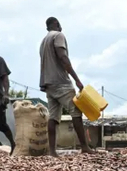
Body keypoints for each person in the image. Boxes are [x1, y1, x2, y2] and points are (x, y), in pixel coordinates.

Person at [39, 17, 93, 156]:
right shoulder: (58, 35)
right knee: (76, 111)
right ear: (56, 24)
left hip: (48, 83)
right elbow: (63, 57)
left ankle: (52, 151)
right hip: (61, 82)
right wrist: (77, 79)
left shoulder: (43, 41)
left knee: (53, 117)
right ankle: (85, 147)